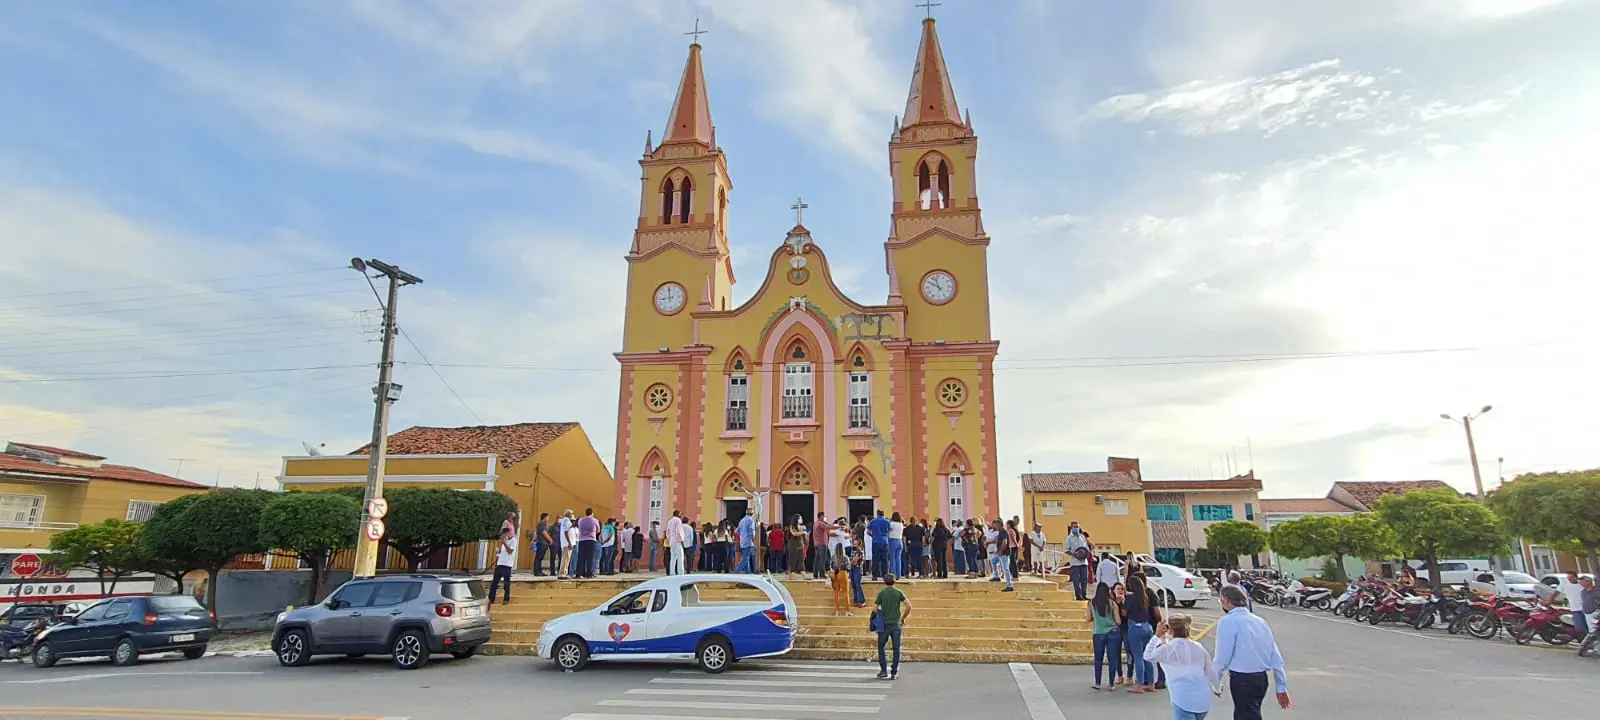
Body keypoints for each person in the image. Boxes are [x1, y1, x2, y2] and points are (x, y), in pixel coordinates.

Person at [1212, 585, 1291, 719]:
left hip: (1242, 678)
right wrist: (1281, 686)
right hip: (1260, 678)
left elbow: (1222, 656)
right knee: (1250, 713)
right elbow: (1274, 654)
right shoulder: (1260, 621)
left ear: (1226, 600)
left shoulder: (1228, 621)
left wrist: (1216, 682)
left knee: (1245, 715)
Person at [1144, 615, 1220, 719]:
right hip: (1202, 700)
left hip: (1183, 700)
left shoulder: (1167, 649)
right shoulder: (1198, 647)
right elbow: (1210, 671)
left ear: (1170, 630)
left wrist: (1157, 636)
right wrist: (1217, 688)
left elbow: (1147, 656)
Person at [873, 573, 912, 680]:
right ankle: (894, 672)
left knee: (881, 647)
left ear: (885, 582)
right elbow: (909, 606)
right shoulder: (898, 592)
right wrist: (903, 618)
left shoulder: (882, 593)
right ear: (895, 581)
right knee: (896, 648)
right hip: (896, 623)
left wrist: (881, 613)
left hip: (884, 624)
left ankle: (883, 670)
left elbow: (875, 608)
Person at [1123, 574, 1158, 693]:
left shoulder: (1130, 598)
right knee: (1147, 656)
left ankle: (1139, 684)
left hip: (1135, 627)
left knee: (1138, 657)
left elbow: (1124, 613)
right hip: (1147, 627)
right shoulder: (1145, 597)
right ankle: (1151, 683)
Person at [1087, 581, 1122, 691]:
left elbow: (1088, 618)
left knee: (1098, 659)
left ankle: (1097, 683)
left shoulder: (1091, 603)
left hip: (1098, 633)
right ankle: (1111, 684)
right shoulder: (1112, 604)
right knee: (1112, 659)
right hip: (1113, 632)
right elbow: (1118, 621)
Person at [489, 527, 516, 605]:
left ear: (508, 533)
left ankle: (506, 599)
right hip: (500, 564)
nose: (503, 535)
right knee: (494, 582)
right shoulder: (504, 541)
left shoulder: (513, 541)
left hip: (507, 565)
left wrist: (504, 543)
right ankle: (491, 598)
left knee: (506, 583)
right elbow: (501, 552)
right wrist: (498, 552)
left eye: (504, 533)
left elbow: (510, 551)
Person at [1557, 571, 1589, 635]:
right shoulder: (1564, 584)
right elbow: (1556, 593)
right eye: (1568, 577)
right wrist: (1549, 602)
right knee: (1579, 627)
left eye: (1571, 577)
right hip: (1575, 609)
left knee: (1589, 626)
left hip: (1585, 609)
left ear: (1576, 578)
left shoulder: (1582, 585)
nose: (1569, 579)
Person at [1066, 522, 1091, 600]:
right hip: (1075, 563)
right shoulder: (1069, 538)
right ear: (1071, 528)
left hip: (1084, 562)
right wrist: (1074, 554)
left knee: (1084, 579)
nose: (1076, 528)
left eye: (1077, 526)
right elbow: (1066, 550)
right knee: (1076, 580)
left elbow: (1087, 548)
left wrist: (1085, 553)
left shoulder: (1082, 537)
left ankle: (1084, 594)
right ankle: (1078, 595)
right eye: (1074, 527)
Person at [868, 510, 891, 580]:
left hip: (875, 542)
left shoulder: (873, 521)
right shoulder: (887, 521)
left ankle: (875, 575)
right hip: (885, 542)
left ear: (877, 514)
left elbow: (868, 531)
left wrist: (873, 536)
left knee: (875, 559)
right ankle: (885, 575)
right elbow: (889, 531)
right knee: (885, 559)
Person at [831, 545, 852, 616]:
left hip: (834, 573)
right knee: (845, 592)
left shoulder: (833, 557)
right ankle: (847, 611)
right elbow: (848, 567)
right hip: (843, 573)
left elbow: (831, 565)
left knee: (836, 593)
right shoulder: (845, 557)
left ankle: (837, 611)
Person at [665, 510, 685, 576]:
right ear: (678, 514)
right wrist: (681, 539)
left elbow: (667, 532)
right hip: (677, 541)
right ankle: (681, 572)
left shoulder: (670, 521)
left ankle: (672, 572)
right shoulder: (678, 520)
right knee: (680, 557)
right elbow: (678, 531)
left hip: (671, 542)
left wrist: (669, 539)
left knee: (673, 558)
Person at [738, 508, 757, 574]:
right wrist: (755, 544)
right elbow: (751, 533)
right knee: (745, 558)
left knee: (747, 558)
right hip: (749, 542)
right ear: (752, 514)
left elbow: (738, 531)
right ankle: (737, 571)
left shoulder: (742, 520)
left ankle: (748, 572)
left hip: (742, 541)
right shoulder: (751, 521)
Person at [533, 512, 553, 577]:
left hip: (543, 543)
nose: (548, 518)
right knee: (538, 558)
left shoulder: (543, 524)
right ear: (544, 517)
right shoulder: (541, 524)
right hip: (542, 542)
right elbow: (544, 533)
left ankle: (539, 571)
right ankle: (537, 572)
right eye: (547, 517)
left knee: (540, 558)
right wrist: (550, 539)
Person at [887, 513, 906, 579]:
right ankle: (898, 575)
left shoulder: (892, 524)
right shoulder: (901, 524)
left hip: (893, 540)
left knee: (892, 559)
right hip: (900, 541)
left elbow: (888, 531)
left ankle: (893, 575)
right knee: (898, 559)